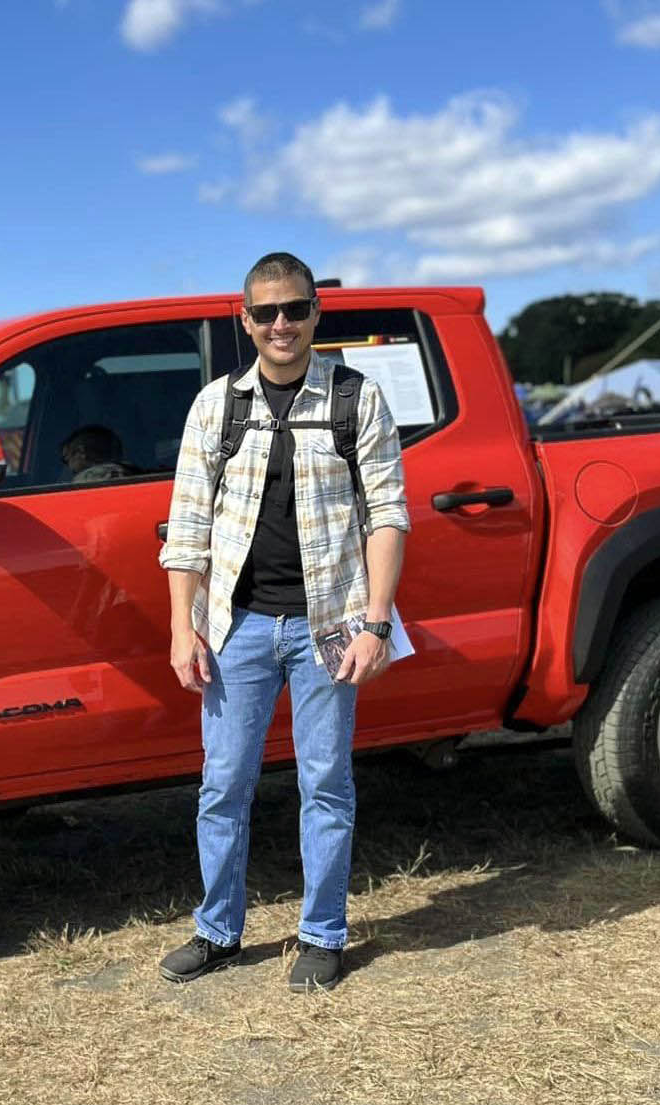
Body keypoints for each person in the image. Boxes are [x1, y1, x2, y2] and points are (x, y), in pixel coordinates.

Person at [157, 252, 409, 992]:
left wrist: (377, 623)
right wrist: (183, 626)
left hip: (327, 624)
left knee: (325, 781)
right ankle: (217, 930)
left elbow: (388, 515)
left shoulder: (355, 399)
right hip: (236, 627)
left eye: (293, 309)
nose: (280, 324)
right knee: (222, 783)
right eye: (265, 312)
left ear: (315, 314)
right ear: (245, 319)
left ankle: (323, 932)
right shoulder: (216, 406)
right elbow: (187, 527)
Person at [60, 424, 131, 482]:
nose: (68, 467)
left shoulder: (86, 480)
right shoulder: (133, 475)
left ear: (81, 452)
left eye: (66, 460)